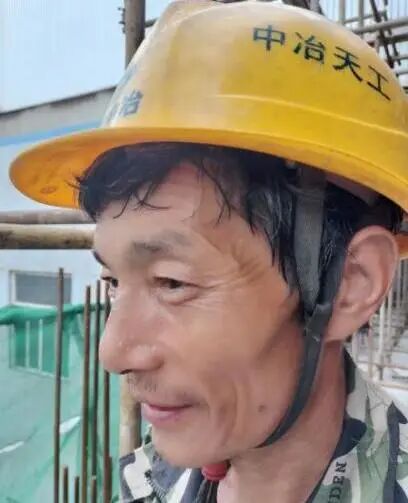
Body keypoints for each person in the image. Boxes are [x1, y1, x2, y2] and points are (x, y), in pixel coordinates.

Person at [10, 1, 408, 501]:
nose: (112, 352)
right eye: (112, 282)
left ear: (350, 283)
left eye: (172, 282)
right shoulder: (149, 482)